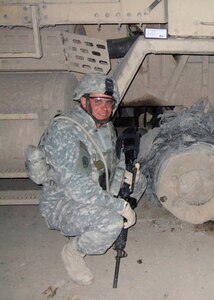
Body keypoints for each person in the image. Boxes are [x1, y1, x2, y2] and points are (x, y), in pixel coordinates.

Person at [36, 73, 137, 285]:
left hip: (95, 188)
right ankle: (73, 252)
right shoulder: (65, 132)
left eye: (108, 102)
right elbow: (78, 189)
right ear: (83, 101)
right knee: (111, 221)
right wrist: (119, 206)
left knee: (138, 180)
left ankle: (109, 215)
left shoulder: (104, 126)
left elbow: (113, 160)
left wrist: (123, 175)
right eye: (98, 101)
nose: (105, 108)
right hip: (64, 201)